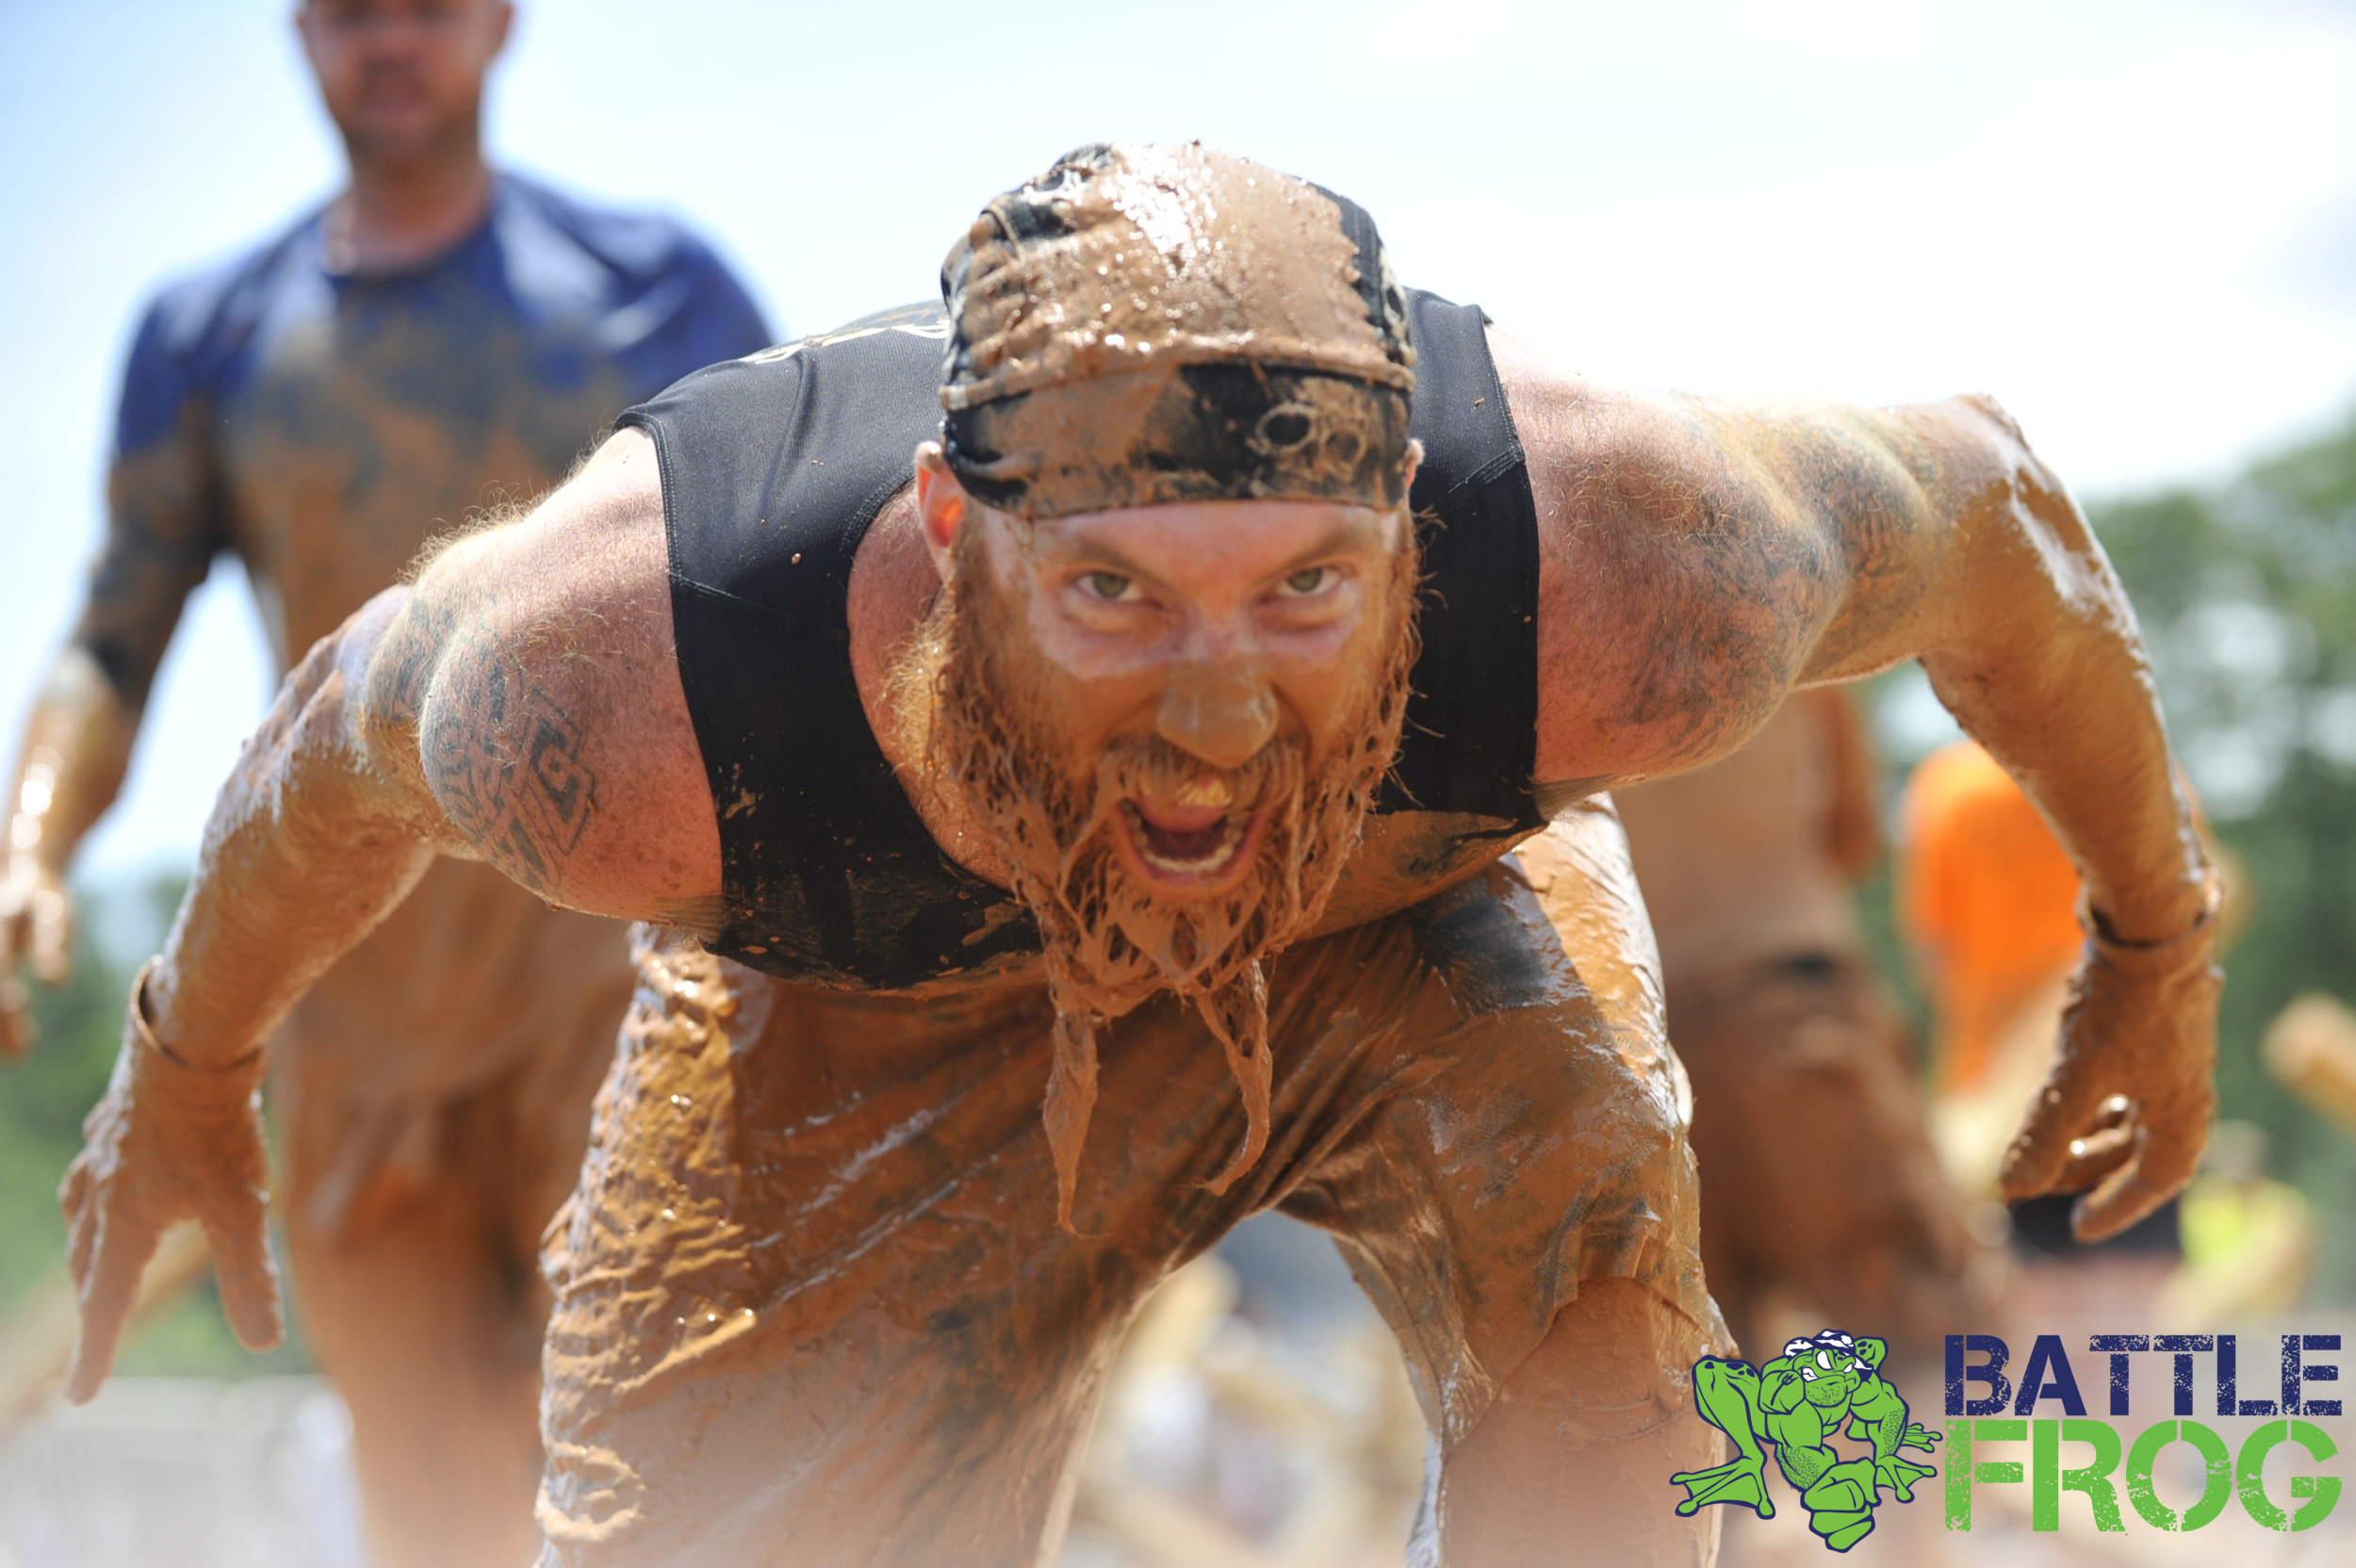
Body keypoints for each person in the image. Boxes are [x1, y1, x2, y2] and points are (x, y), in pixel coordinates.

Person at [57, 143, 2219, 1566]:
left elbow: (1992, 510)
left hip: (1394, 928)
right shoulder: (625, 694)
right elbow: (325, 740)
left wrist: (2155, 939)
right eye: (1112, 597)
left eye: (1302, 593)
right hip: (870, 1003)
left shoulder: (1638, 565)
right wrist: (184, 1066)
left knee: (1606, 1392)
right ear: (949, 536)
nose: (1215, 714)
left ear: (1411, 537)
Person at [0, 2, 768, 1563]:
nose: (390, 41)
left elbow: (782, 573)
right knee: (434, 1517)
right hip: (352, 1035)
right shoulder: (214, 339)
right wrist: (32, 842)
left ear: (500, 23)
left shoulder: (651, 290)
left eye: (428, 6)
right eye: (353, 11)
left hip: (612, 1002)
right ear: (301, 32)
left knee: (651, 1488)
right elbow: (113, 638)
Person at [1599, 690, 1993, 1364]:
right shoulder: (1797, 655)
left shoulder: (1544, 663)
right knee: (1937, 1349)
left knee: (1709, 1388)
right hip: (1796, 1012)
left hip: (1643, 1054)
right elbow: (1852, 839)